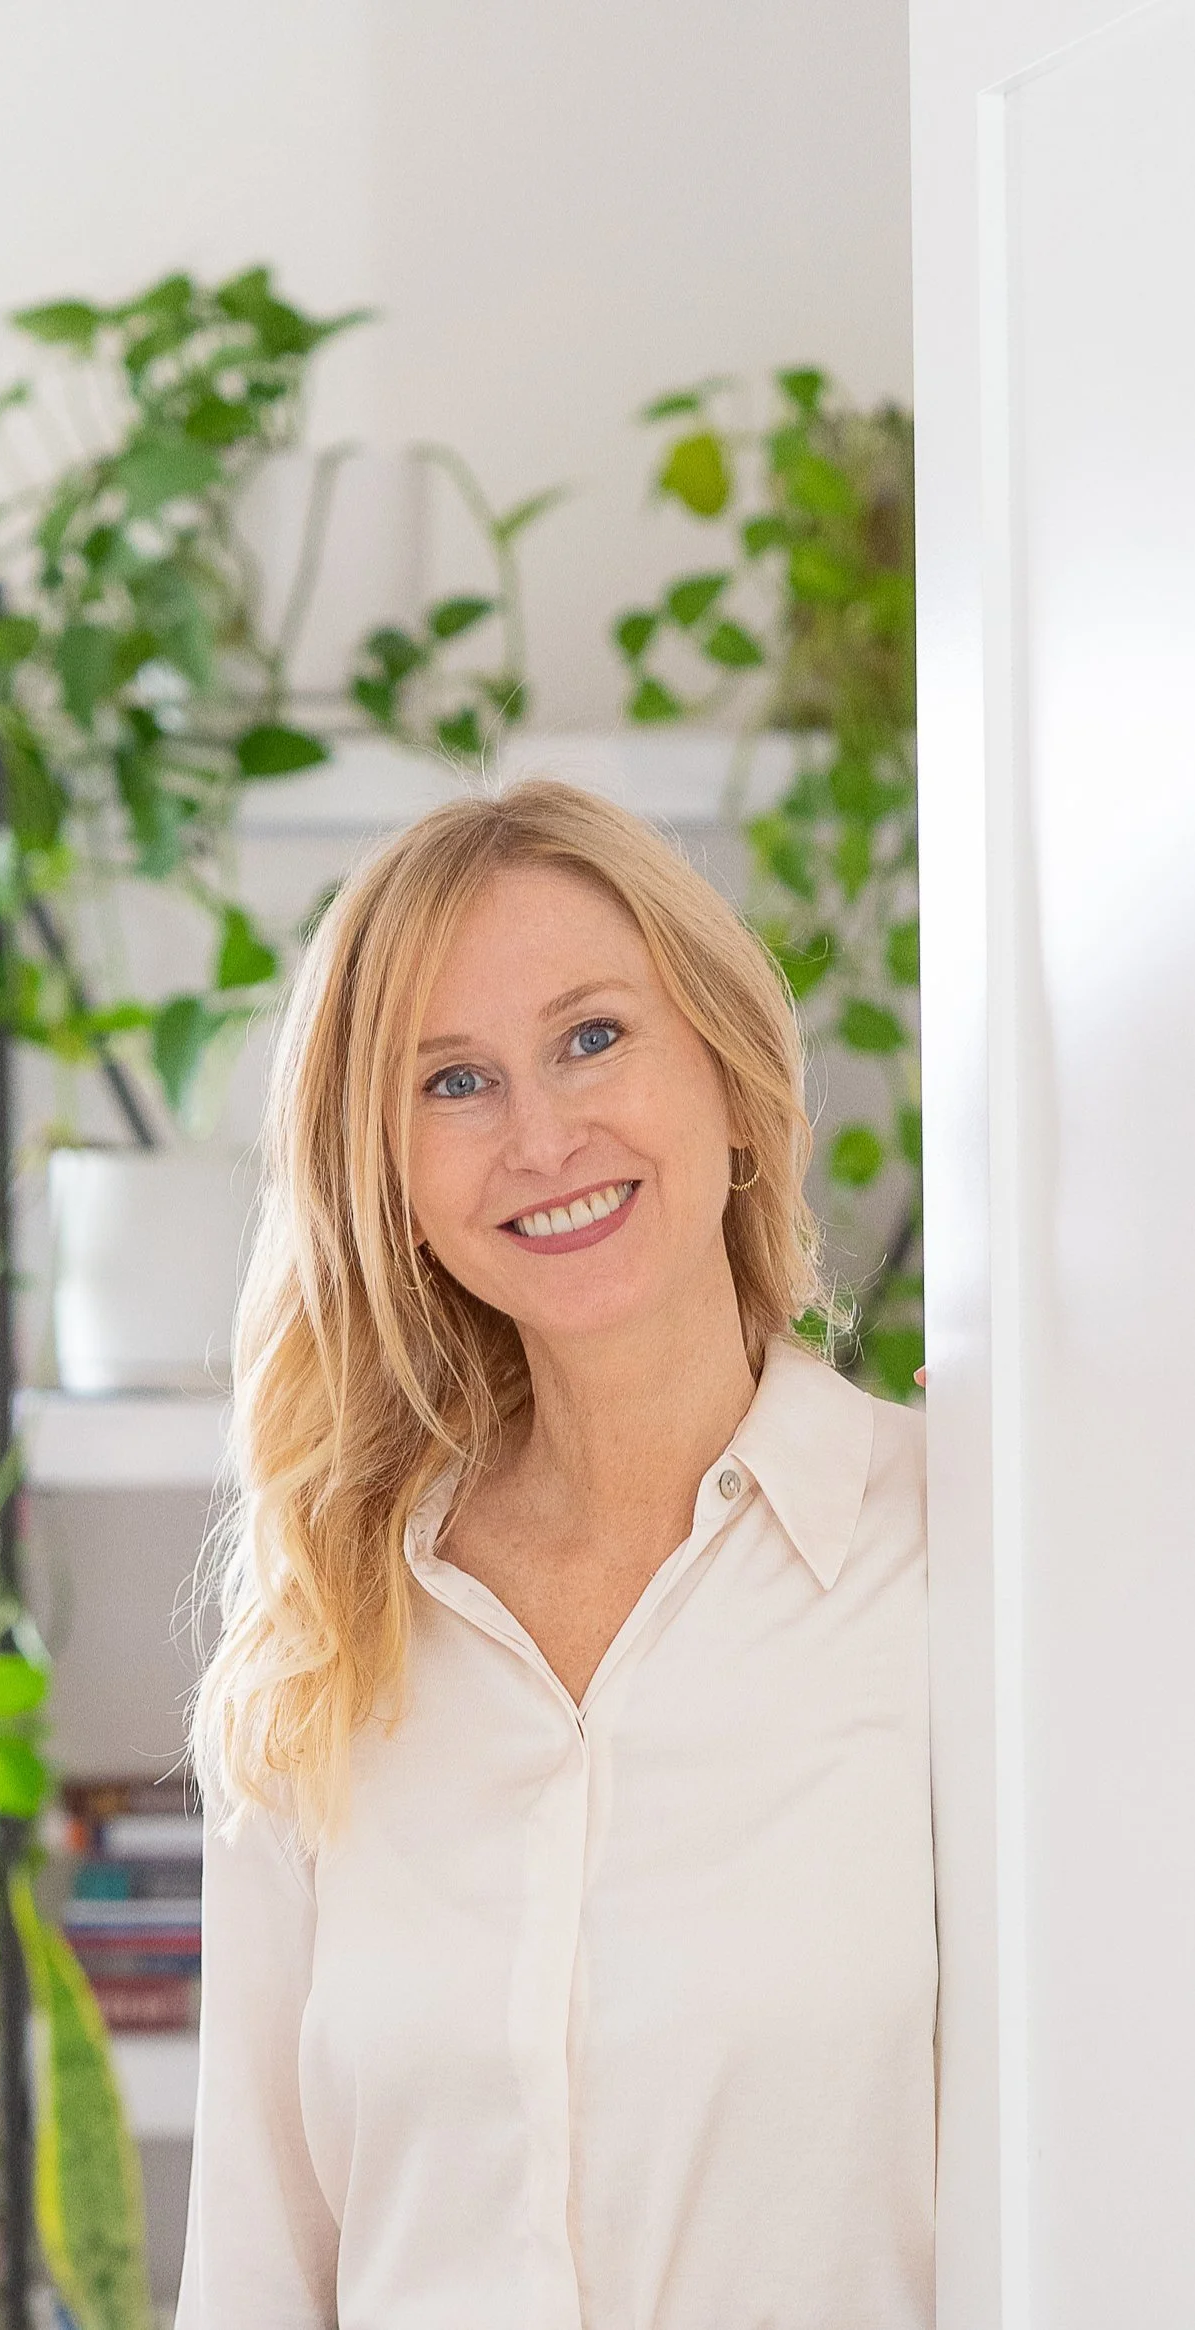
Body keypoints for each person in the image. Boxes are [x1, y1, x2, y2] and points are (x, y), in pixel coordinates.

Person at [177, 779, 934, 2330]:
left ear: (729, 1075)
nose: (539, 1134)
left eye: (592, 1036)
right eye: (453, 1081)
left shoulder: (948, 1556)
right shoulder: (323, 1638)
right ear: (388, 1179)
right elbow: (254, 2268)